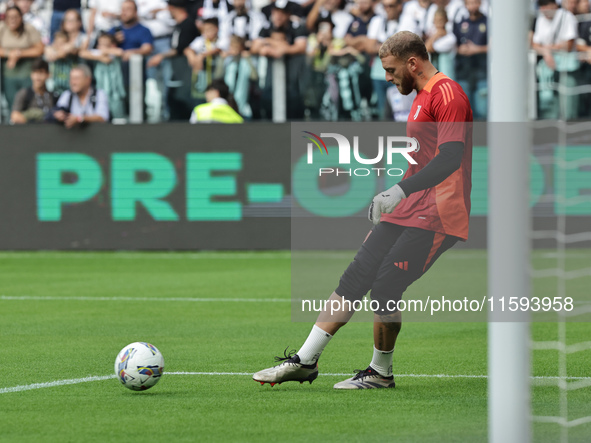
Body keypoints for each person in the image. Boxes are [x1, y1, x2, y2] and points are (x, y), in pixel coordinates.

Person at [253, 31, 473, 389]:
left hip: (438, 211)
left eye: (390, 69)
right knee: (356, 276)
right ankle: (305, 360)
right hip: (410, 205)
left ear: (412, 63)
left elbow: (450, 157)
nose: (387, 77)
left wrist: (400, 189)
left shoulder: (447, 94)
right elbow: (425, 158)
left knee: (385, 286)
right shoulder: (422, 95)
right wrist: (395, 195)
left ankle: (379, 373)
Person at [147, 0, 200, 120]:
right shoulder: (178, 25)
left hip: (186, 70)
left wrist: (161, 56)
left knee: (183, 98)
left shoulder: (188, 24)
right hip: (178, 70)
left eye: (169, 8)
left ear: (174, 8)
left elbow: (181, 48)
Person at [0, 5, 45, 110]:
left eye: (16, 17)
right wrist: (9, 54)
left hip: (27, 73)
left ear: (21, 17)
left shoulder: (29, 28)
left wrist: (19, 53)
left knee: (28, 102)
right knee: (11, 102)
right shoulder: (2, 28)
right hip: (8, 73)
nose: (13, 20)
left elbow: (40, 49)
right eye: (10, 17)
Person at [79, 32, 127, 119]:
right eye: (100, 42)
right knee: (102, 116)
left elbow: (120, 52)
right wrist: (100, 57)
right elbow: (82, 53)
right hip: (101, 92)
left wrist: (105, 51)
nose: (102, 44)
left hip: (115, 93)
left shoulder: (114, 53)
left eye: (105, 42)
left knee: (119, 118)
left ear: (112, 44)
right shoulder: (98, 54)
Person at [453, 0, 486, 119]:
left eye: (475, 2)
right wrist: (459, 49)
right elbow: (453, 43)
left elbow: (495, 46)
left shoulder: (488, 22)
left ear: (480, 3)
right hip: (464, 71)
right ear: (465, 5)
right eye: (469, 3)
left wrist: (477, 49)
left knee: (482, 110)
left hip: (482, 71)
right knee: (464, 110)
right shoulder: (461, 23)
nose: (472, 6)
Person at [52, 64, 110, 128]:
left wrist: (79, 119)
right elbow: (58, 109)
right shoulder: (67, 95)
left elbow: (103, 118)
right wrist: (59, 115)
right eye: (71, 78)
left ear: (88, 80)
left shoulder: (99, 94)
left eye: (76, 79)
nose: (73, 82)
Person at [11, 58, 55, 123]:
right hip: (29, 131)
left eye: (41, 72)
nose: (38, 76)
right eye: (35, 72)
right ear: (31, 74)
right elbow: (14, 116)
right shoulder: (24, 93)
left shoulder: (53, 96)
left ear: (48, 75)